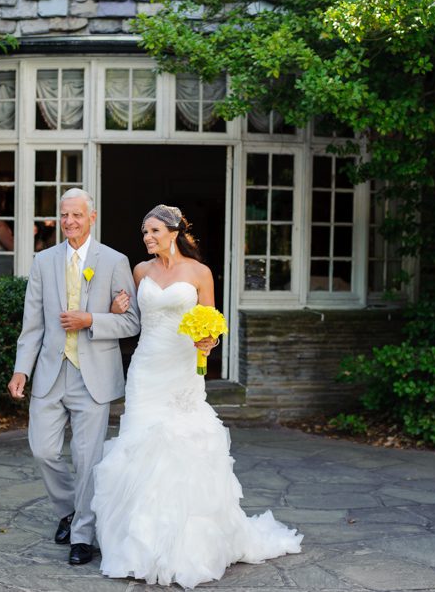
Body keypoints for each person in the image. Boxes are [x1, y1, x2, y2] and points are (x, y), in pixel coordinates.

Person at [91, 204, 303, 589]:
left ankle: (186, 546)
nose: (148, 238)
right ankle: (140, 545)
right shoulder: (140, 272)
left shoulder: (200, 273)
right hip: (147, 369)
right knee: (141, 446)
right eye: (144, 233)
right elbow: (130, 321)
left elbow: (212, 323)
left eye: (154, 231)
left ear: (173, 232)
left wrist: (210, 341)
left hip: (184, 369)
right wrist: (112, 307)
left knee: (184, 444)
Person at [7, 188, 140, 566]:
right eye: (64, 215)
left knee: (86, 459)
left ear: (91, 218)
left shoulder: (114, 261)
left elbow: (132, 321)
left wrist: (92, 320)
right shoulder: (43, 261)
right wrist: (22, 370)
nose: (69, 222)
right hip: (50, 373)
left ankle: (83, 534)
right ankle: (70, 508)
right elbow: (32, 324)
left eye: (76, 216)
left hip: (93, 376)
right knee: (43, 449)